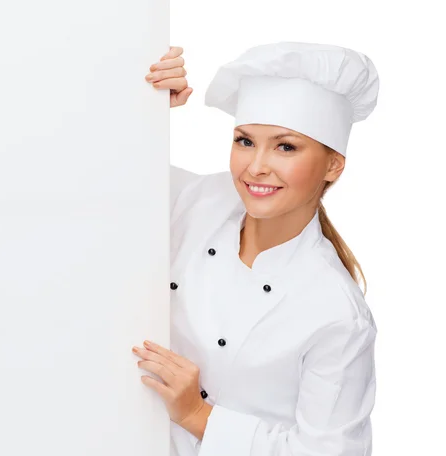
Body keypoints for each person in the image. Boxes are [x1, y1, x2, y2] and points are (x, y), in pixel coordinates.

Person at [131, 42, 380, 456]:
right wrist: (145, 109)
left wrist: (196, 413)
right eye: (245, 141)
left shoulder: (337, 314)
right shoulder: (196, 201)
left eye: (286, 147)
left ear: (333, 165)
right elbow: (103, 183)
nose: (256, 166)